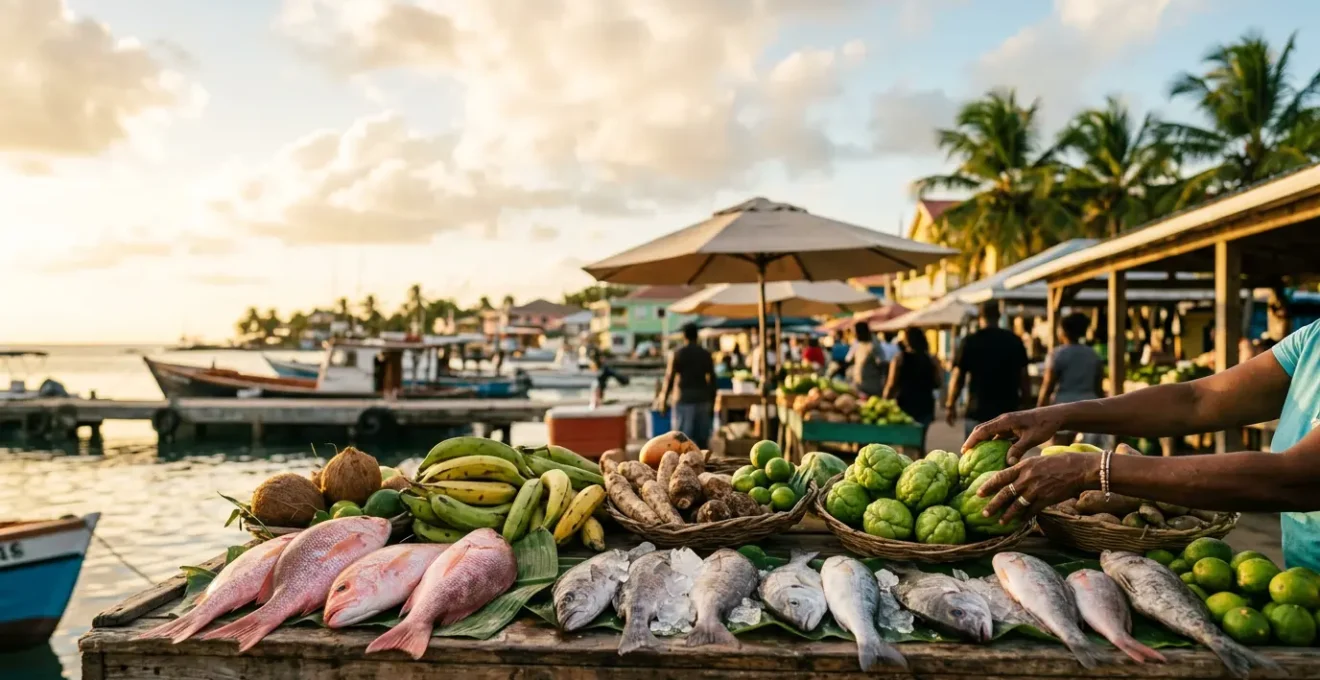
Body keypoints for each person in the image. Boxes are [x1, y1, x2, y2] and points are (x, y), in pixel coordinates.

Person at [965, 319, 1320, 570]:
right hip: (1304, 586)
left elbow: (1298, 478)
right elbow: (1196, 399)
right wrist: (1057, 414)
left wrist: (1093, 469)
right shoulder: (1312, 340)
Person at [945, 302, 1030, 437]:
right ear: (999, 316)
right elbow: (1024, 377)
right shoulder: (1014, 340)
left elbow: (958, 377)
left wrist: (950, 405)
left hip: (977, 410)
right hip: (1008, 412)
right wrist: (1026, 404)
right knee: (1008, 455)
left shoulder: (970, 341)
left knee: (974, 456)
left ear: (979, 317)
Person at [1037, 313, 1103, 446]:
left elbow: (1048, 385)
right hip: (1089, 406)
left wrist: (1038, 410)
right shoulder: (1093, 354)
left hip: (1063, 407)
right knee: (1086, 452)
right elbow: (1098, 386)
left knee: (1059, 451)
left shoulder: (1057, 354)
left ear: (1062, 331)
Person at [882, 328, 943, 452]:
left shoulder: (899, 359)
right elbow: (938, 383)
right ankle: (920, 459)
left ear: (907, 340)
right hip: (925, 404)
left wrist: (884, 401)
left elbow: (891, 384)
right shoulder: (931, 359)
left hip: (905, 404)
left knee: (906, 441)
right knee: (920, 440)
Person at [657, 323, 716, 447]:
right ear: (697, 336)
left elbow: (669, 378)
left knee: (681, 441)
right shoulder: (705, 354)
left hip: (683, 399)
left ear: (684, 336)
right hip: (702, 399)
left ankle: (683, 465)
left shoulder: (678, 353)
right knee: (702, 440)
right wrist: (713, 402)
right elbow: (712, 379)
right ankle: (702, 464)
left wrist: (663, 399)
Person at [847, 321, 887, 396]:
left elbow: (882, 362)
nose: (854, 334)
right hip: (859, 383)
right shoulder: (857, 343)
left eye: (855, 332)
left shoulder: (874, 344)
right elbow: (849, 358)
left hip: (872, 385)